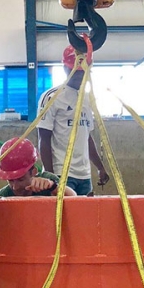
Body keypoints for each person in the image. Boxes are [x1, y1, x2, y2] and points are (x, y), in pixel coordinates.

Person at [37, 45, 110, 196]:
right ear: (65, 69)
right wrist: (50, 176)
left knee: (84, 218)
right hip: (61, 173)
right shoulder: (52, 97)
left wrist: (100, 167)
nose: (80, 76)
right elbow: (44, 138)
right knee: (63, 218)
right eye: (75, 72)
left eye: (84, 72)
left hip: (84, 176)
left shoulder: (87, 99)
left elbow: (87, 137)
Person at [0, 137, 76, 198]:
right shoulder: (3, 196)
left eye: (20, 179)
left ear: (34, 171)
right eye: (10, 180)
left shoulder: (48, 181)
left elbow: (74, 199)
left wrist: (53, 187)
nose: (15, 187)